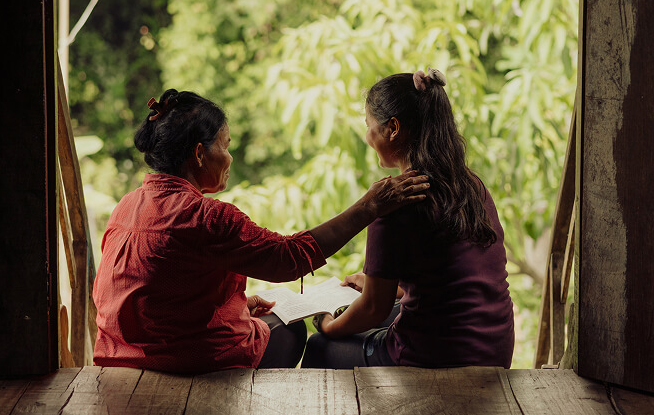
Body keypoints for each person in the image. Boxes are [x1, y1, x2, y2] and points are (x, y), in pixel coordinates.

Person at [92, 88, 429, 374]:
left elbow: (156, 293)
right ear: (199, 154)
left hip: (121, 358)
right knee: (294, 329)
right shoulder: (206, 217)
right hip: (184, 362)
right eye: (224, 145)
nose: (230, 156)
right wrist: (368, 207)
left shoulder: (126, 206)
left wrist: (235, 305)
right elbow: (289, 258)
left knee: (266, 318)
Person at [301, 68, 515, 369]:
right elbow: (449, 278)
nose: (367, 135)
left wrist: (326, 324)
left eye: (368, 124)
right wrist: (377, 283)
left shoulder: (392, 203)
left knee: (320, 347)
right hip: (495, 349)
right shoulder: (469, 184)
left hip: (437, 357)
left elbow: (374, 309)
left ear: (393, 128)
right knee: (393, 310)